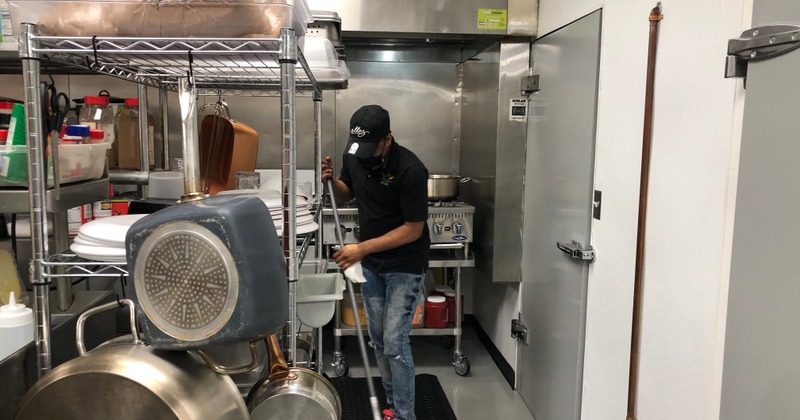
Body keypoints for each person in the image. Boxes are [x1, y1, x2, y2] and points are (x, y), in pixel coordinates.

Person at [322, 104, 430, 420]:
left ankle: (404, 414)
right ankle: (392, 406)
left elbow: (413, 229)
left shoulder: (410, 169)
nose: (363, 155)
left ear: (388, 139)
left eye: (371, 148)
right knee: (379, 340)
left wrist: (361, 248)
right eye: (358, 148)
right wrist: (331, 181)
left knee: (395, 342)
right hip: (373, 265)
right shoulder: (355, 154)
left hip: (404, 264)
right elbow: (346, 192)